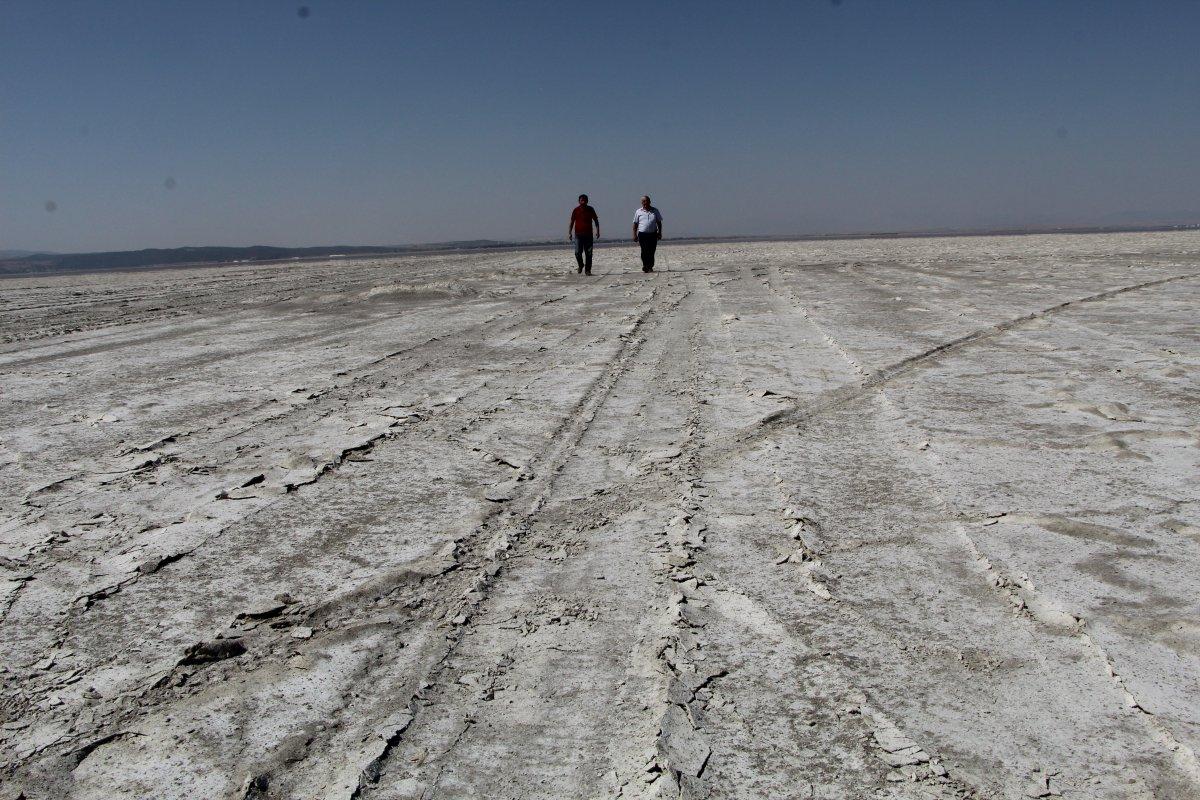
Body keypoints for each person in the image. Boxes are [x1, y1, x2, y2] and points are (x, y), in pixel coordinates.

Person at [568, 194, 600, 275]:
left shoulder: (590, 209)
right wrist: (570, 233)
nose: (583, 201)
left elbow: (596, 220)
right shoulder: (576, 210)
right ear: (579, 201)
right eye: (581, 200)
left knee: (589, 253)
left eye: (584, 200)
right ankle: (581, 264)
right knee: (577, 252)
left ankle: (587, 270)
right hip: (578, 235)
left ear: (587, 201)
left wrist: (598, 231)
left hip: (588, 234)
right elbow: (572, 222)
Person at [631, 195, 663, 273]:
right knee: (644, 251)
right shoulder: (638, 211)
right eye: (643, 201)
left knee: (652, 251)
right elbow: (635, 224)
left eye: (646, 201)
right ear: (641, 203)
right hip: (642, 234)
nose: (645, 203)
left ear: (649, 202)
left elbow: (659, 222)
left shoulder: (655, 210)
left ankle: (650, 266)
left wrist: (659, 232)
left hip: (653, 234)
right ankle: (645, 265)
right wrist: (634, 234)